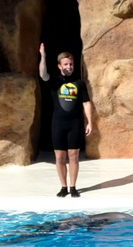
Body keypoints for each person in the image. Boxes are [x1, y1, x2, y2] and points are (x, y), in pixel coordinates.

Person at [39, 44, 93, 197]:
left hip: (74, 123)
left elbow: (86, 103)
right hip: (58, 124)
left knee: (74, 155)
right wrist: (43, 56)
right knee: (60, 157)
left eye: (71, 64)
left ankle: (73, 186)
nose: (69, 67)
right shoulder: (55, 82)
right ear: (59, 66)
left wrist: (90, 122)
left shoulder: (79, 83)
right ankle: (63, 187)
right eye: (66, 64)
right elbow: (43, 74)